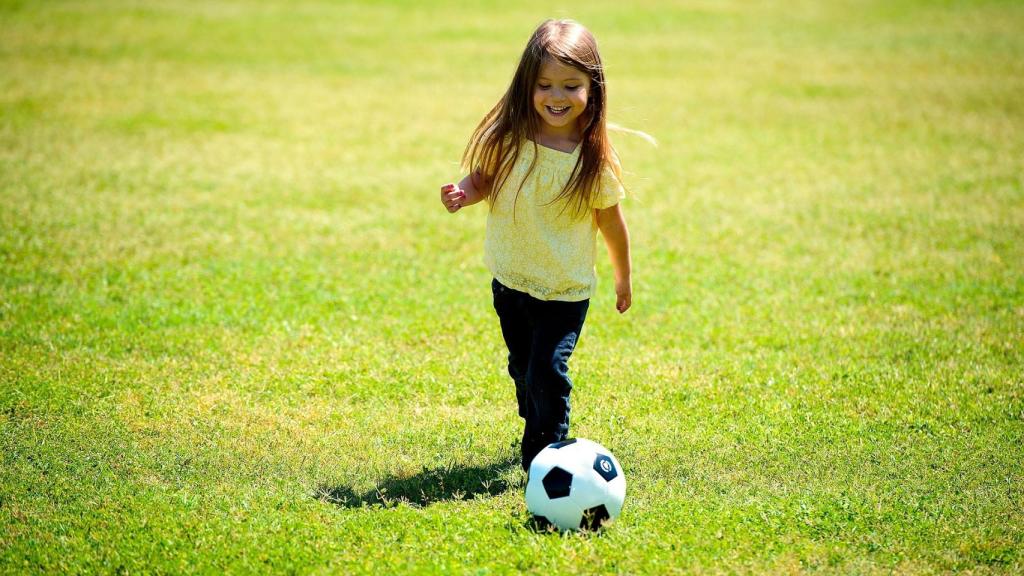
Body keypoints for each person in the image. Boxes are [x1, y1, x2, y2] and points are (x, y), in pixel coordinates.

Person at [440, 19, 632, 471]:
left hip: (564, 290)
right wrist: (465, 192)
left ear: (593, 88)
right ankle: (536, 418)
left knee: (548, 373)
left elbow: (611, 222)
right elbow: (485, 178)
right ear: (527, 84)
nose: (557, 97)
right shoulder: (509, 139)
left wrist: (623, 277)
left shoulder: (593, 160)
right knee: (524, 370)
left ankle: (544, 460)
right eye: (545, 85)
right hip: (510, 280)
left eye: (571, 85)